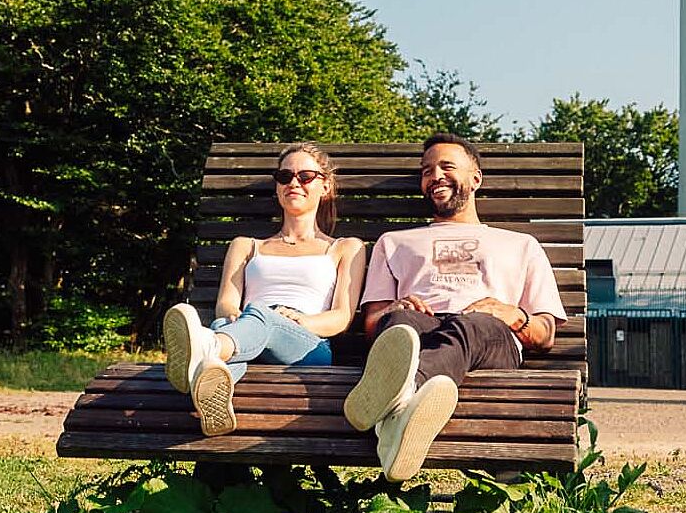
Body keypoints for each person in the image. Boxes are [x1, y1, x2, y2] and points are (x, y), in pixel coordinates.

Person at [344, 132, 567, 482]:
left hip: (489, 336)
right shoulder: (394, 242)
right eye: (426, 170)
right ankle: (400, 420)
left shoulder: (521, 245)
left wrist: (514, 315)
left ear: (476, 179)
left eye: (447, 166)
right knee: (400, 322)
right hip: (417, 332)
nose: (435, 176)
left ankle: (394, 402)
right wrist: (393, 309)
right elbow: (374, 324)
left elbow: (546, 334)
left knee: (470, 325)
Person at [162, 143, 367, 437]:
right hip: (246, 335)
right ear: (277, 187)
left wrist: (298, 320)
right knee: (230, 322)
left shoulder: (345, 247)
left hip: (307, 346)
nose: (294, 182)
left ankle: (206, 347)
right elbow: (227, 305)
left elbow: (341, 317)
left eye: (305, 176)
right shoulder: (245, 245)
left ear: (325, 185)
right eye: (285, 177)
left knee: (256, 315)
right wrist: (239, 318)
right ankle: (212, 397)